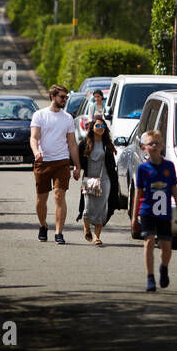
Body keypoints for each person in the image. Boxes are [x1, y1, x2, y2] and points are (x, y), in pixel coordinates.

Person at [130, 130, 177, 292]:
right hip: (147, 211)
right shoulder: (143, 169)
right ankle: (150, 277)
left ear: (161, 146)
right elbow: (138, 193)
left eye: (156, 143)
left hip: (164, 212)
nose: (153, 146)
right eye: (150, 144)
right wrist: (134, 216)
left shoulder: (169, 166)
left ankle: (164, 268)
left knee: (166, 246)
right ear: (144, 147)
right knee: (149, 241)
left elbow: (173, 189)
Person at [29, 85, 80, 243]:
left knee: (59, 195)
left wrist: (77, 166)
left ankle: (59, 232)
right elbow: (34, 137)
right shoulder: (40, 115)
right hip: (43, 162)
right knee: (41, 199)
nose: (64, 100)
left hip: (62, 162)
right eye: (62, 97)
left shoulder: (68, 118)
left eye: (66, 97)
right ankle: (43, 225)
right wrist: (36, 152)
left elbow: (72, 143)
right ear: (53, 97)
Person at [76, 115, 119, 246]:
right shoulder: (85, 143)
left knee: (101, 208)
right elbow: (77, 159)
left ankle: (97, 236)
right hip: (89, 179)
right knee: (87, 208)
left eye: (103, 126)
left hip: (105, 180)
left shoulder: (107, 145)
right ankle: (87, 227)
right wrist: (77, 169)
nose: (100, 128)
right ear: (92, 127)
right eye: (97, 126)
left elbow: (111, 164)